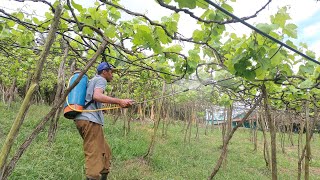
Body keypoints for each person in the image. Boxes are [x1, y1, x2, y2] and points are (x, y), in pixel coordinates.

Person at [74, 61, 134, 180]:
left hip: (85, 119)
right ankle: (93, 177)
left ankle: (103, 175)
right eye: (111, 72)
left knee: (105, 151)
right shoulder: (101, 80)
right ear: (104, 72)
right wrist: (120, 101)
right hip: (89, 120)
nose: (113, 74)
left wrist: (101, 109)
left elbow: (91, 99)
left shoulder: (93, 80)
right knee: (94, 153)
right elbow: (97, 96)